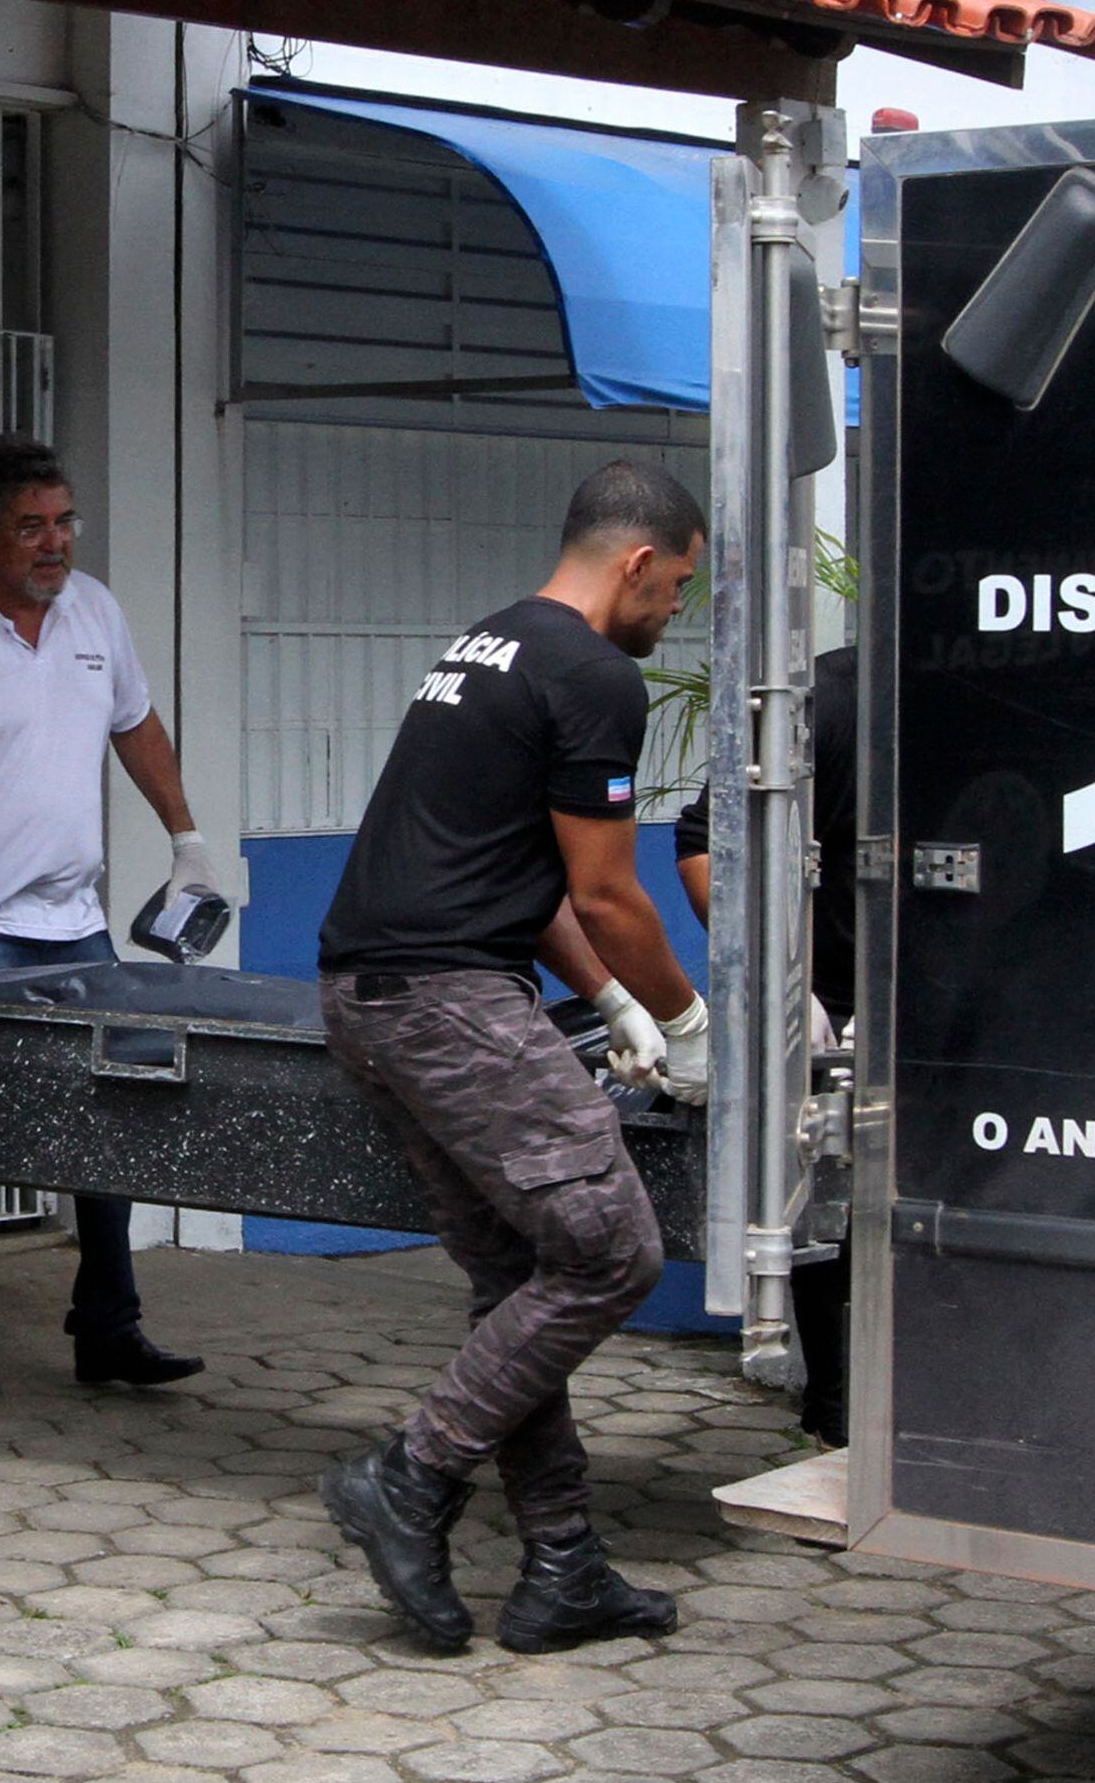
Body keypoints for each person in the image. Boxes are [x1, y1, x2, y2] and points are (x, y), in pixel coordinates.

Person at [312, 458, 713, 1657]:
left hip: (373, 995)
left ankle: (564, 1566)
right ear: (635, 562)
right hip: (445, 1000)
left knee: (519, 1287)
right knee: (609, 1253)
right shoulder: (593, 674)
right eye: (679, 586)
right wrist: (685, 1022)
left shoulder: (487, 644)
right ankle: (410, 1475)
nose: (676, 611)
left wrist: (602, 999)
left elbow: (508, 866)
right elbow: (606, 887)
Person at [0, 435, 210, 1401]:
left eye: (64, 523)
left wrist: (185, 837)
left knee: (108, 1126)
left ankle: (110, 1329)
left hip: (76, 924)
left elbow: (134, 724)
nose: (54, 544)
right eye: (31, 527)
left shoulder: (93, 610)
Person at [673, 644, 858, 1447]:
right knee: (823, 1204)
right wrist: (788, 981)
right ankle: (839, 1420)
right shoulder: (826, 698)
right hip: (829, 993)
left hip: (945, 993)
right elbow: (705, 841)